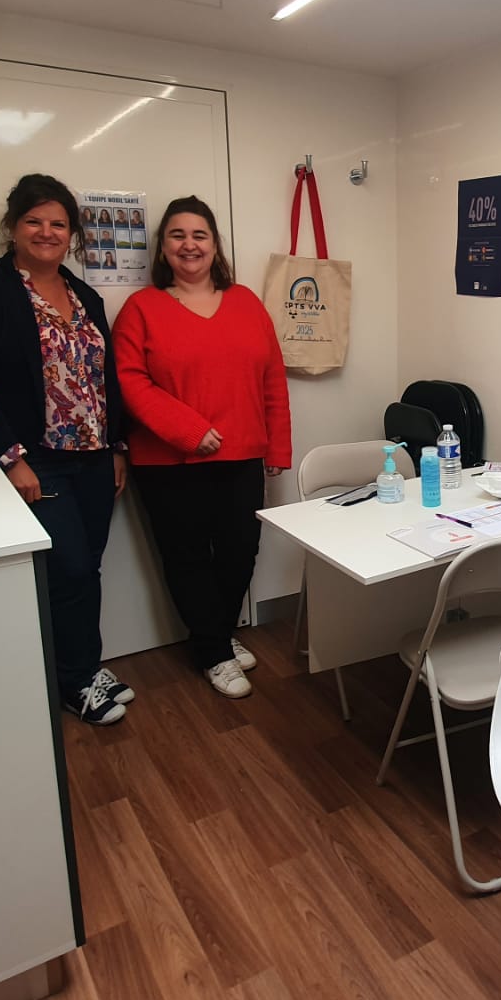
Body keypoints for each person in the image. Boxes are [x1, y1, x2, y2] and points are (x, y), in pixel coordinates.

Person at [0, 173, 136, 725]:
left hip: (93, 456)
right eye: (34, 221)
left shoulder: (85, 295)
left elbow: (105, 379)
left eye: (58, 224)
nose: (47, 232)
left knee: (87, 567)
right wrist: (11, 457)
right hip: (35, 457)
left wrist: (118, 446)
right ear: (12, 227)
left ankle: (83, 668)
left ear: (71, 234)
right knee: (68, 568)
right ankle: (72, 681)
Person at [112, 196, 291, 699]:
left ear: (214, 245)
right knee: (186, 557)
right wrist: (188, 430)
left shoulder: (246, 302)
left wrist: (277, 446)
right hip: (168, 462)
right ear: (162, 247)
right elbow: (129, 382)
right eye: (177, 235)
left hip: (242, 455)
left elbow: (272, 379)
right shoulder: (141, 309)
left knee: (240, 552)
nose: (188, 245)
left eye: (199, 235)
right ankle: (214, 652)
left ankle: (216, 634)